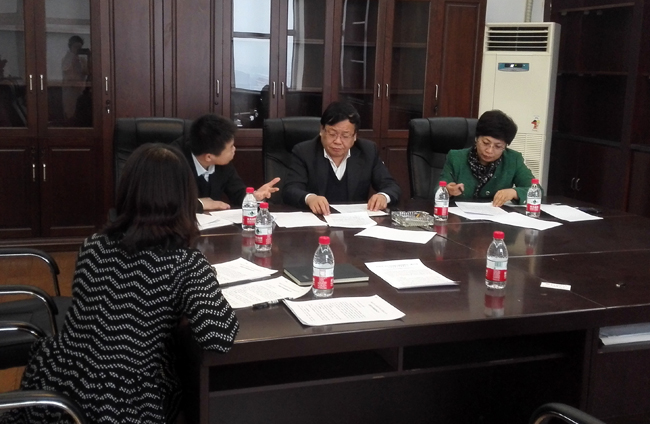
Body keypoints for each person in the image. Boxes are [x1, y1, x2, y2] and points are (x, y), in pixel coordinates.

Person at [11, 143, 239, 424]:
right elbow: (219, 336)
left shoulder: (93, 246)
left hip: (56, 386)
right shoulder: (185, 264)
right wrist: (205, 284)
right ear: (185, 199)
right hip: (123, 400)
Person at [282, 101, 401, 215]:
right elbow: (290, 189)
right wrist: (310, 198)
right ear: (322, 130)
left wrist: (383, 196)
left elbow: (391, 186)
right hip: (317, 221)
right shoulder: (304, 152)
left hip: (355, 222)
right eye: (332, 134)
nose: (338, 141)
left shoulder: (368, 151)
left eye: (345, 135)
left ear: (354, 136)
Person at [172, 114, 280, 212]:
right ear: (209, 157)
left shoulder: (222, 162)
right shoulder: (172, 162)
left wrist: (253, 197)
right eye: (231, 147)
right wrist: (200, 204)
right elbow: (167, 203)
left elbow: (237, 193)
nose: (234, 149)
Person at [439, 109, 540, 207]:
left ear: (505, 146)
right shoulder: (456, 157)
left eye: (498, 146)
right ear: (476, 138)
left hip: (496, 216)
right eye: (485, 143)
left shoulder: (513, 159)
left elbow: (536, 190)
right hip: (459, 216)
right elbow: (438, 189)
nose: (489, 150)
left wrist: (514, 192)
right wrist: (448, 190)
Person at [61, 35, 88, 121]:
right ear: (70, 47)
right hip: (70, 91)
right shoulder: (66, 59)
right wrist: (73, 59)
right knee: (70, 114)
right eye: (75, 47)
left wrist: (90, 57)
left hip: (81, 91)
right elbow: (68, 73)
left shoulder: (82, 60)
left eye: (80, 47)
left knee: (81, 115)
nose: (78, 49)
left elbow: (87, 72)